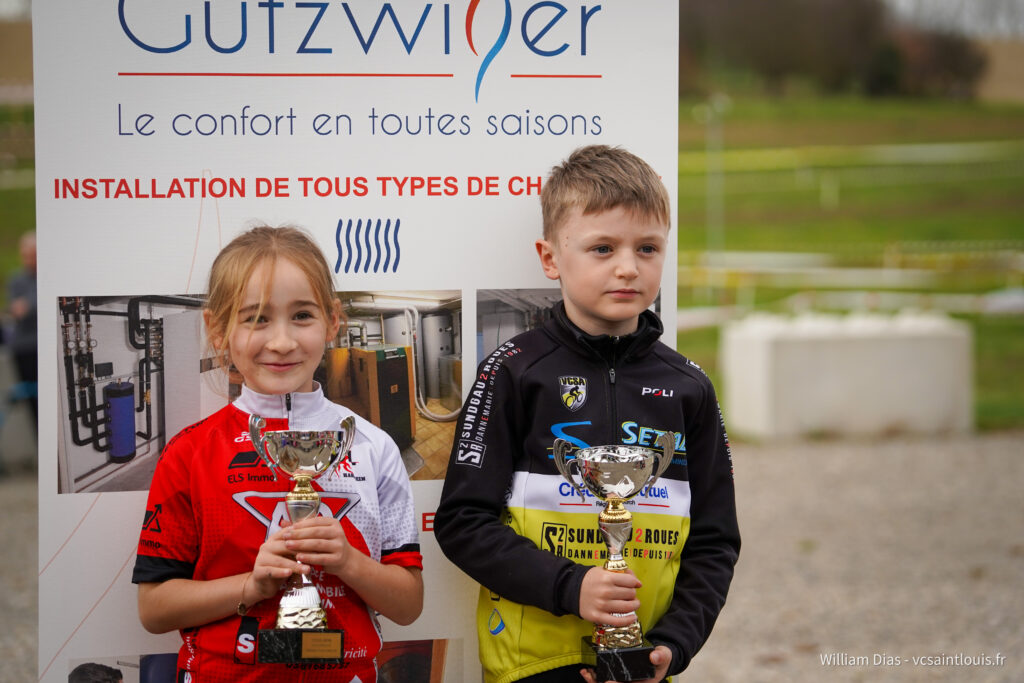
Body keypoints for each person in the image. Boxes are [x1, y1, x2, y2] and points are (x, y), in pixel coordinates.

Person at [434, 145, 740, 683]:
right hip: (531, 665)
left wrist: (675, 642)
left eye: (648, 248)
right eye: (603, 248)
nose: (628, 267)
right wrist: (570, 586)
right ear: (550, 258)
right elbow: (462, 523)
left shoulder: (689, 386)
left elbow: (715, 542)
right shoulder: (511, 371)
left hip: (642, 662)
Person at [132, 225, 423, 682]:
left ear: (332, 321)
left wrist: (348, 561)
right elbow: (154, 609)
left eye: (302, 315)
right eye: (256, 319)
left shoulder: (374, 447)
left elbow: (408, 605)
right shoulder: (189, 452)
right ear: (217, 329)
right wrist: (250, 586)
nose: (282, 342)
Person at [6, 230, 37, 426]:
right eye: (25, 256)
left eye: (32, 256)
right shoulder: (16, 279)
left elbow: (28, 306)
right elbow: (15, 308)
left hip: (39, 346)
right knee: (32, 399)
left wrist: (29, 306)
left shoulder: (47, 278)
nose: (29, 260)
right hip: (23, 349)